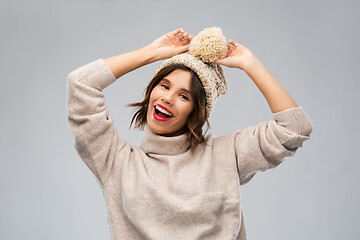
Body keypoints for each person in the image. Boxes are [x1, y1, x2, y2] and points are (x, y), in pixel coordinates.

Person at [66, 27, 313, 240]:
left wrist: (250, 64)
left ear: (196, 112)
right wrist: (150, 53)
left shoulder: (226, 155)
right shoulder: (116, 162)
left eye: (184, 96)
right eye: (164, 86)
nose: (167, 98)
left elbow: (294, 127)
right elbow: (81, 84)